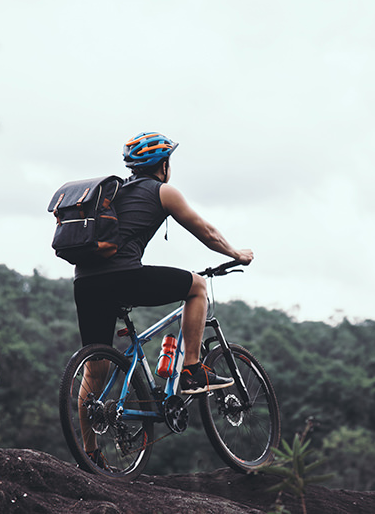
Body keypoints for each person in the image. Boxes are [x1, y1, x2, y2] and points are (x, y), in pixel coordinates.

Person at [73, 131, 253, 460]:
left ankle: (90, 453)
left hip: (85, 282)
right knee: (197, 286)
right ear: (164, 165)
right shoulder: (163, 191)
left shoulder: (114, 193)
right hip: (124, 276)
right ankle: (192, 370)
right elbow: (207, 232)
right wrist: (236, 253)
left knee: (93, 368)